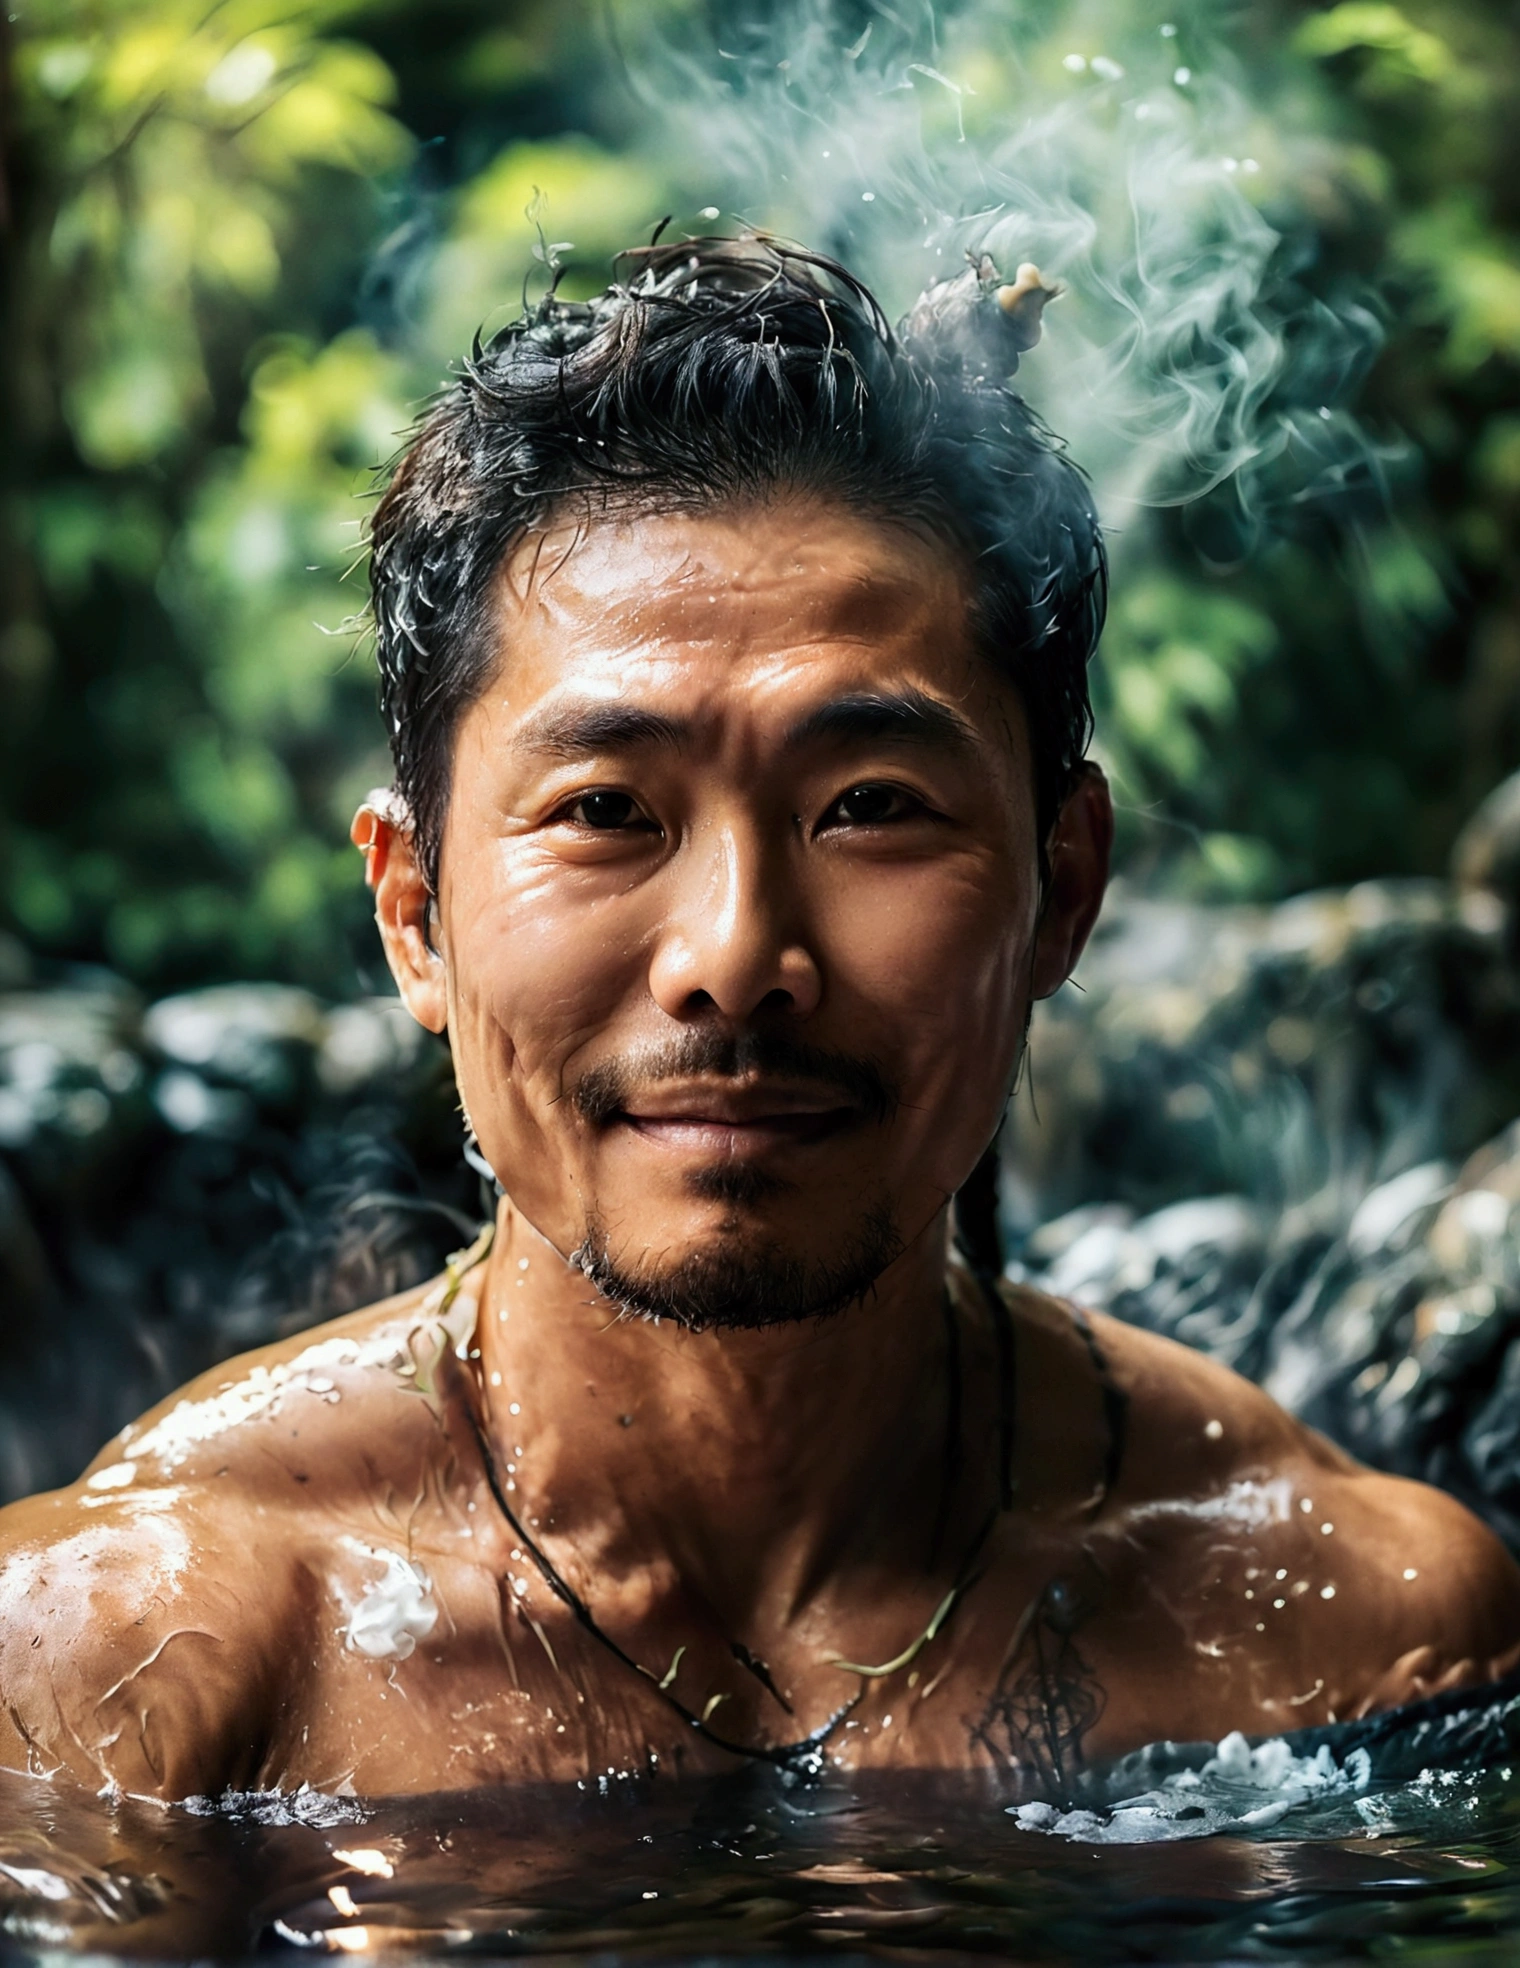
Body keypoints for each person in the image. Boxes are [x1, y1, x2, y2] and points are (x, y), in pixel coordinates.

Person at [1, 238, 1516, 1804]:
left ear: (1064, 888)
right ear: (414, 912)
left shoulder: (1344, 1622)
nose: (735, 957)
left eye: (868, 806)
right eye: (604, 810)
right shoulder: (132, 1660)